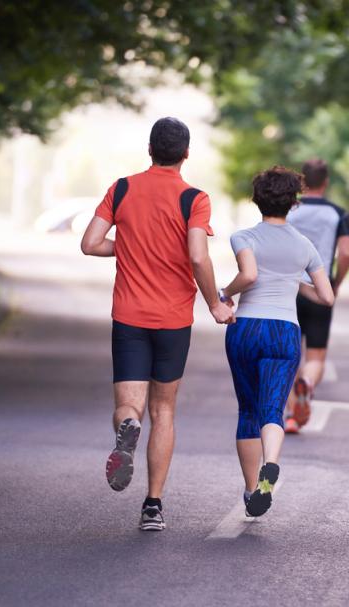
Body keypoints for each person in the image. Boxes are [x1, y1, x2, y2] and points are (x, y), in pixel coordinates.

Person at [80, 117, 234, 531]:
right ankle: (153, 506)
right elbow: (198, 256)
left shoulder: (123, 188)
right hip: (172, 321)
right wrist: (216, 304)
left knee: (128, 407)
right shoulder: (194, 199)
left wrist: (131, 249)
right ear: (186, 154)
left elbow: (90, 243)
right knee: (163, 410)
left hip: (128, 316)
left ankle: (127, 429)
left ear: (150, 150)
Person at [220, 166, 334, 517]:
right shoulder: (304, 245)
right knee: (273, 410)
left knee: (248, 412)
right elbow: (326, 297)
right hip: (284, 331)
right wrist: (295, 280)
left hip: (247, 327)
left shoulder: (244, 237)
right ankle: (272, 462)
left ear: (257, 200)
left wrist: (225, 292)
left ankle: (252, 489)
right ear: (293, 202)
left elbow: (249, 275)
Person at [283, 159, 349, 434]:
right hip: (319, 292)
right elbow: (345, 253)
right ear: (325, 182)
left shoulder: (288, 209)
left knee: (289, 356)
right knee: (315, 357)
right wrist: (335, 283)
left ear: (302, 181)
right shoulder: (338, 214)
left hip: (288, 290)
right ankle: (308, 384)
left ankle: (290, 415)